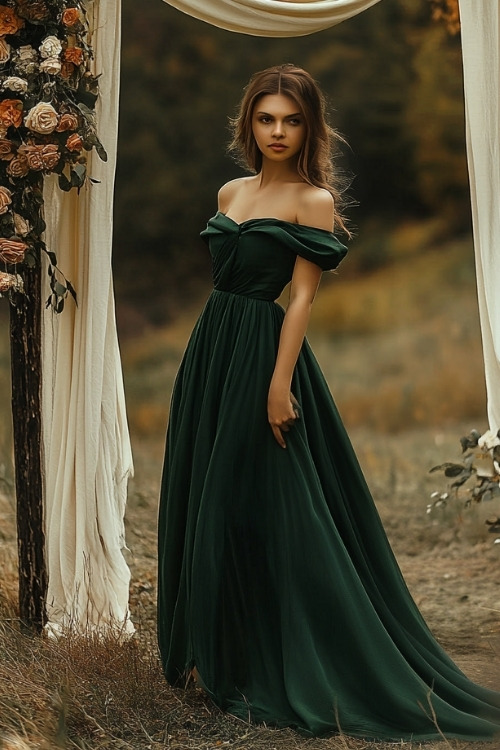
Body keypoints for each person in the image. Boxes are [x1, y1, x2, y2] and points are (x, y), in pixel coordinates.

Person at [157, 64, 500, 741]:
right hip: (210, 354)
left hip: (263, 350)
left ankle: (297, 658)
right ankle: (212, 653)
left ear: (309, 127)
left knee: (270, 506)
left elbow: (303, 296)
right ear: (248, 123)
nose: (278, 131)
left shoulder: (311, 202)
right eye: (266, 118)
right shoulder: (231, 190)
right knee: (208, 497)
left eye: (291, 120)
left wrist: (279, 383)